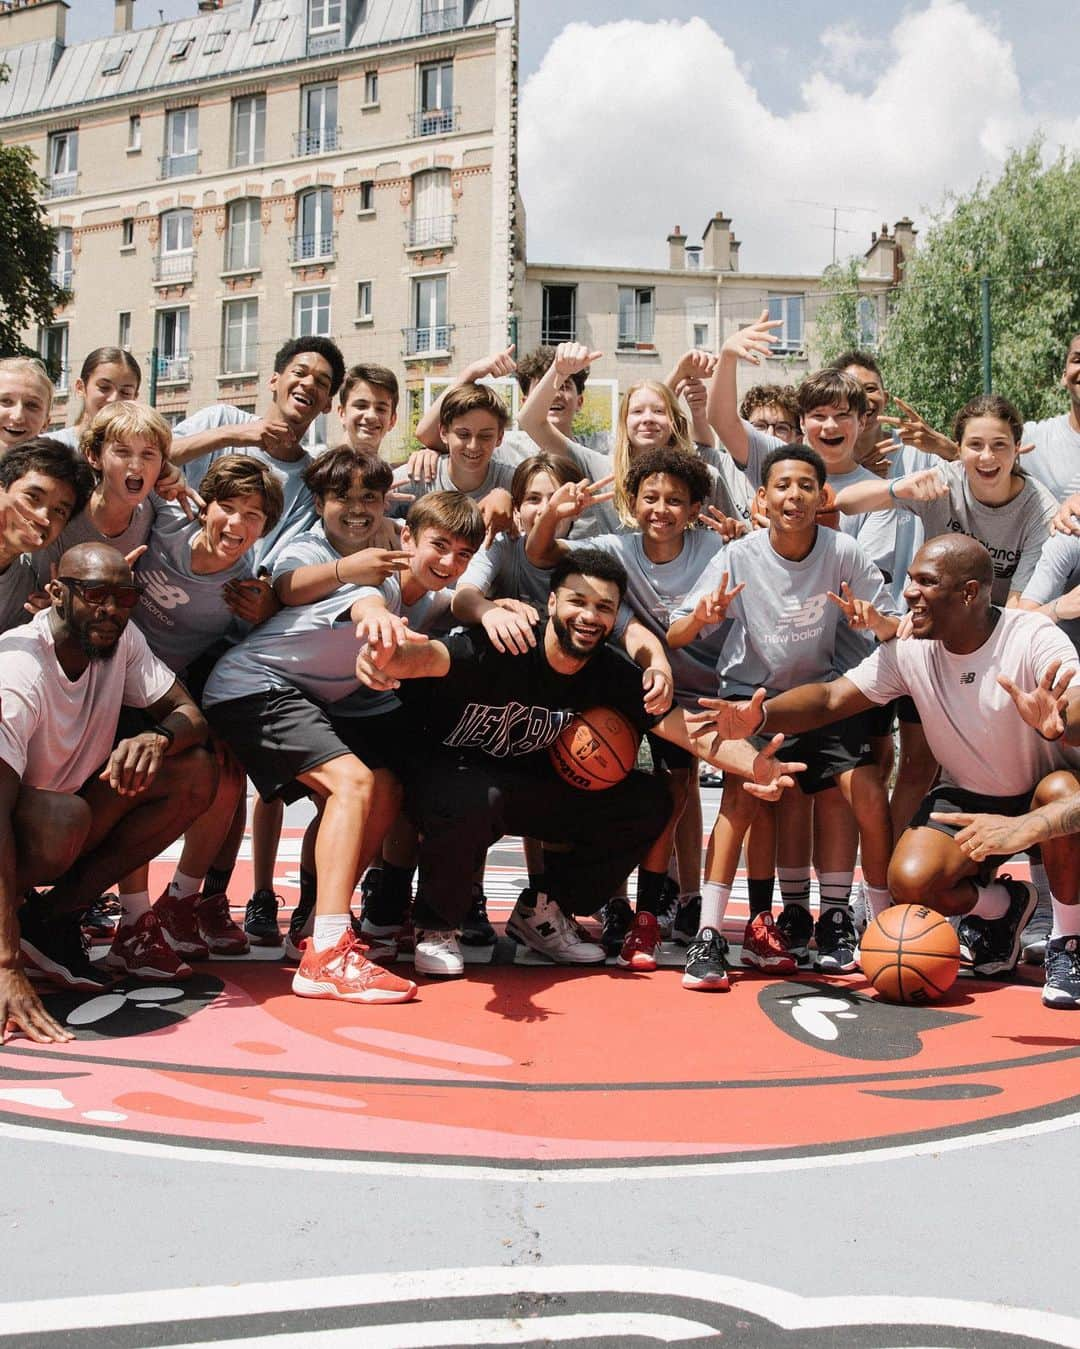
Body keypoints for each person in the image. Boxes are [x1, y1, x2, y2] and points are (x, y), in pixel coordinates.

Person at [355, 548, 802, 980]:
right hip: (439, 773)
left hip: (523, 784)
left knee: (649, 800)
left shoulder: (609, 672)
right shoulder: (508, 640)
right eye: (577, 601)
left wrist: (760, 767)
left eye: (604, 607)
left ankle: (543, 911)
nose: (589, 616)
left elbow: (686, 729)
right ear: (552, 602)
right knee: (473, 795)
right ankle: (436, 925)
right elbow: (432, 658)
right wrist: (388, 657)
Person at [690, 534, 1080, 1007]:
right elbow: (833, 698)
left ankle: (1068, 943)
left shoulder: (1031, 636)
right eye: (910, 579)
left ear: (970, 592)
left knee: (1061, 789)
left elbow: (1073, 707)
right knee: (910, 882)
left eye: (926, 582)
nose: (909, 593)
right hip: (969, 797)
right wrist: (762, 715)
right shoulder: (912, 647)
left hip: (1046, 796)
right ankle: (1004, 907)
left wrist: (1062, 725)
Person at [204, 490, 483, 982]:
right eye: (439, 545)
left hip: (302, 696)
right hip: (256, 687)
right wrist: (375, 622)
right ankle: (327, 950)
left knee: (382, 789)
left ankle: (315, 926)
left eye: (463, 554)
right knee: (352, 785)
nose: (448, 561)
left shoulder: (436, 603)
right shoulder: (378, 584)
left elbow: (456, 603)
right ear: (406, 537)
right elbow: (367, 605)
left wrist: (490, 606)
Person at [670, 444, 897, 985]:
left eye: (804, 486)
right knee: (741, 799)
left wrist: (874, 621)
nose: (793, 495)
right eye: (781, 485)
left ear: (822, 497)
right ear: (763, 497)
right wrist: (701, 617)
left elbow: (892, 626)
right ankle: (708, 935)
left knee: (857, 786)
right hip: (748, 696)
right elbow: (678, 633)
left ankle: (854, 918)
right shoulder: (737, 557)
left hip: (818, 698)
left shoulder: (843, 551)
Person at [0, 542, 217, 1040]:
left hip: (54, 821)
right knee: (63, 819)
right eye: (96, 594)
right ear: (57, 592)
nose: (112, 609)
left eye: (125, 597)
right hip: (24, 824)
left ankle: (49, 922)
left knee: (194, 772)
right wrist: (6, 963)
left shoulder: (121, 639)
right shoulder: (17, 672)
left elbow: (191, 717)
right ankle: (15, 932)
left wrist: (156, 737)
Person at [525, 446, 729, 966]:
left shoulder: (715, 548)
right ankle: (617, 907)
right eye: (650, 498)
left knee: (678, 792)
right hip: (632, 688)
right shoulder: (614, 546)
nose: (661, 509)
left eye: (676, 500)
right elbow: (543, 554)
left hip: (700, 689)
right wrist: (552, 513)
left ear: (695, 507)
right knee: (607, 783)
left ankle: (650, 911)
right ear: (632, 501)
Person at [0, 437, 93, 634]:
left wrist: (44, 623)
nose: (42, 517)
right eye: (33, 497)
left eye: (59, 511)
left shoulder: (30, 592)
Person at [1018, 333, 1080, 501]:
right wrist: (942, 447)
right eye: (1077, 360)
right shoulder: (1033, 441)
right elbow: (976, 458)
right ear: (1064, 376)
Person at [46, 347, 141, 452]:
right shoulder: (50, 447)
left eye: (125, 393)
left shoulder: (141, 453)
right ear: (80, 387)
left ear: (134, 398)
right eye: (104, 387)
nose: (114, 399)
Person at [0, 357, 54, 455]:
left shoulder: (63, 468)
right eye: (6, 401)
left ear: (46, 423)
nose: (18, 416)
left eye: (31, 405)